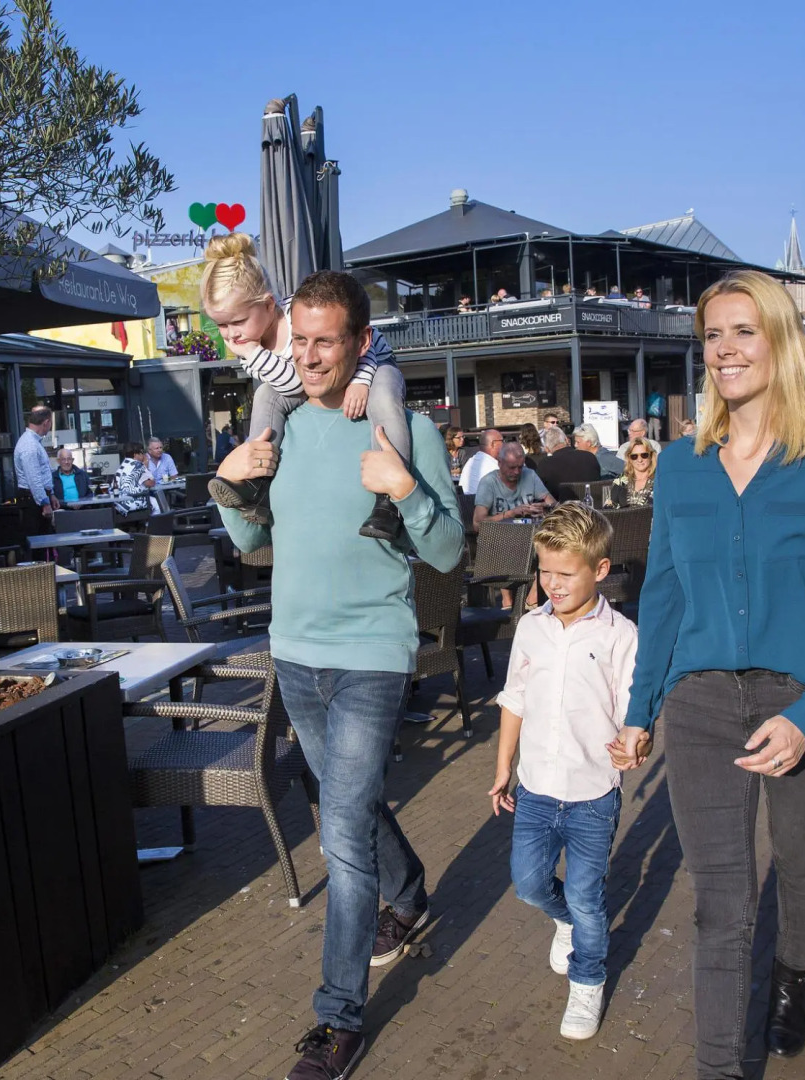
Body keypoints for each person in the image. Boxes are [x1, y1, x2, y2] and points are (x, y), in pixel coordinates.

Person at [610, 269, 805, 1076]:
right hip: (700, 701)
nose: (725, 350)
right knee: (722, 905)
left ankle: (794, 969)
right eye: (713, 336)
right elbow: (661, 595)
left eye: (743, 331)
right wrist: (640, 705)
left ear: (780, 340)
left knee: (799, 860)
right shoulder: (686, 465)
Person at [212, 270, 464, 1080]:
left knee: (341, 835)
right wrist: (230, 478)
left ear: (360, 344)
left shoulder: (404, 429)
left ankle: (337, 1020)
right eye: (305, 341)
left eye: (330, 342)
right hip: (295, 653)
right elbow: (249, 544)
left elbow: (451, 552)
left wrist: (407, 493)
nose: (313, 357)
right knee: (348, 802)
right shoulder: (279, 426)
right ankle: (411, 891)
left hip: (370, 659)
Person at [490, 504, 638, 1040]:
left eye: (565, 573)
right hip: (534, 788)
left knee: (586, 893)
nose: (552, 583)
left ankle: (588, 981)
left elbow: (632, 711)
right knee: (528, 884)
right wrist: (504, 766)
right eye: (545, 571)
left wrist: (633, 744)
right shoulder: (530, 627)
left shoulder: (621, 634)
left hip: (593, 791)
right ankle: (566, 920)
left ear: (599, 570)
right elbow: (514, 698)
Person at [199, 233, 408, 541]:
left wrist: (362, 379)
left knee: (384, 398)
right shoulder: (250, 342)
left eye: (238, 322)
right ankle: (258, 483)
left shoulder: (296, 321)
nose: (231, 335)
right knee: (265, 395)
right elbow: (289, 386)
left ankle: (389, 500)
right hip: (319, 383)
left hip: (373, 362)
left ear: (269, 306)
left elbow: (303, 377)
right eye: (221, 325)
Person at [472, 443, 554, 528]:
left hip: (529, 534)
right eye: (512, 467)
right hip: (499, 537)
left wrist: (546, 508)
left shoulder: (530, 474)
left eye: (520, 467)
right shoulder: (488, 482)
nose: (517, 472)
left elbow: (554, 505)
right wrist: (510, 514)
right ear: (500, 462)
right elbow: (477, 524)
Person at [13, 404, 59, 537]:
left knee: (44, 542)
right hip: (33, 501)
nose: (50, 428)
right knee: (39, 543)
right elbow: (34, 478)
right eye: (50, 424)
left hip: (36, 498)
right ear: (46, 422)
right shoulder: (30, 445)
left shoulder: (33, 442)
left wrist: (50, 494)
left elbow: (41, 473)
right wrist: (44, 503)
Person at [534, 424, 601, 500]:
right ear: (566, 440)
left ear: (547, 449)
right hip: (592, 508)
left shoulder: (544, 465)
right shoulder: (589, 457)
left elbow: (538, 493)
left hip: (563, 510)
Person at [610, 435, 658, 507]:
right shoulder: (621, 480)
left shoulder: (661, 480)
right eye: (634, 456)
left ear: (651, 456)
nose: (639, 460)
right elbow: (608, 508)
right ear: (629, 458)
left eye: (644, 455)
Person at [111, 442, 155, 518]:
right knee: (158, 504)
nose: (144, 455)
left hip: (118, 504)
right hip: (131, 502)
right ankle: (152, 528)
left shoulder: (123, 465)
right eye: (141, 452)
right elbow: (150, 484)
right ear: (135, 454)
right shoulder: (138, 465)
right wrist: (146, 465)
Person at [459, 428, 502, 495]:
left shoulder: (472, 460)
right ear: (493, 444)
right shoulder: (493, 466)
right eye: (502, 441)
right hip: (481, 503)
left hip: (465, 502)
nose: (504, 444)